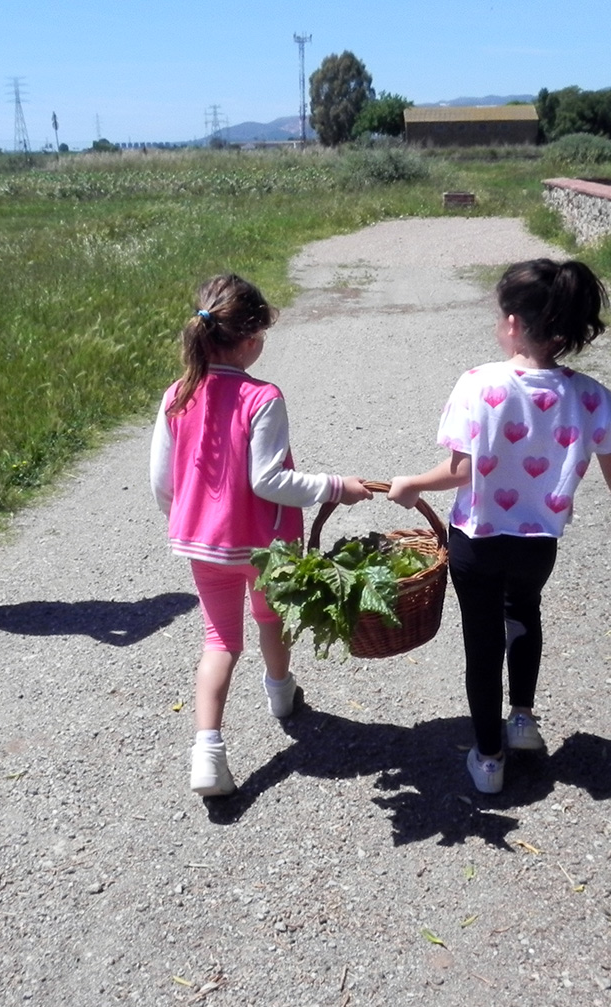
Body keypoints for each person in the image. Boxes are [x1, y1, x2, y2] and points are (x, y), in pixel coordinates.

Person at [388, 258, 611, 794]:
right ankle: (523, 718)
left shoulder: (478, 383)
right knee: (525, 614)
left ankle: (489, 759)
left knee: (481, 643)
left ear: (512, 323)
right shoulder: (588, 395)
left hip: (477, 541)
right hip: (538, 545)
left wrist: (414, 483)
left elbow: (461, 470)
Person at [149, 274, 372, 797]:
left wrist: (184, 517)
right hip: (265, 545)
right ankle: (280, 692)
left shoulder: (176, 394)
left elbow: (162, 481)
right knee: (270, 615)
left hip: (202, 543)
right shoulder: (262, 396)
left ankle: (207, 751)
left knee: (220, 640)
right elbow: (268, 479)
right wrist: (335, 487)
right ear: (249, 340)